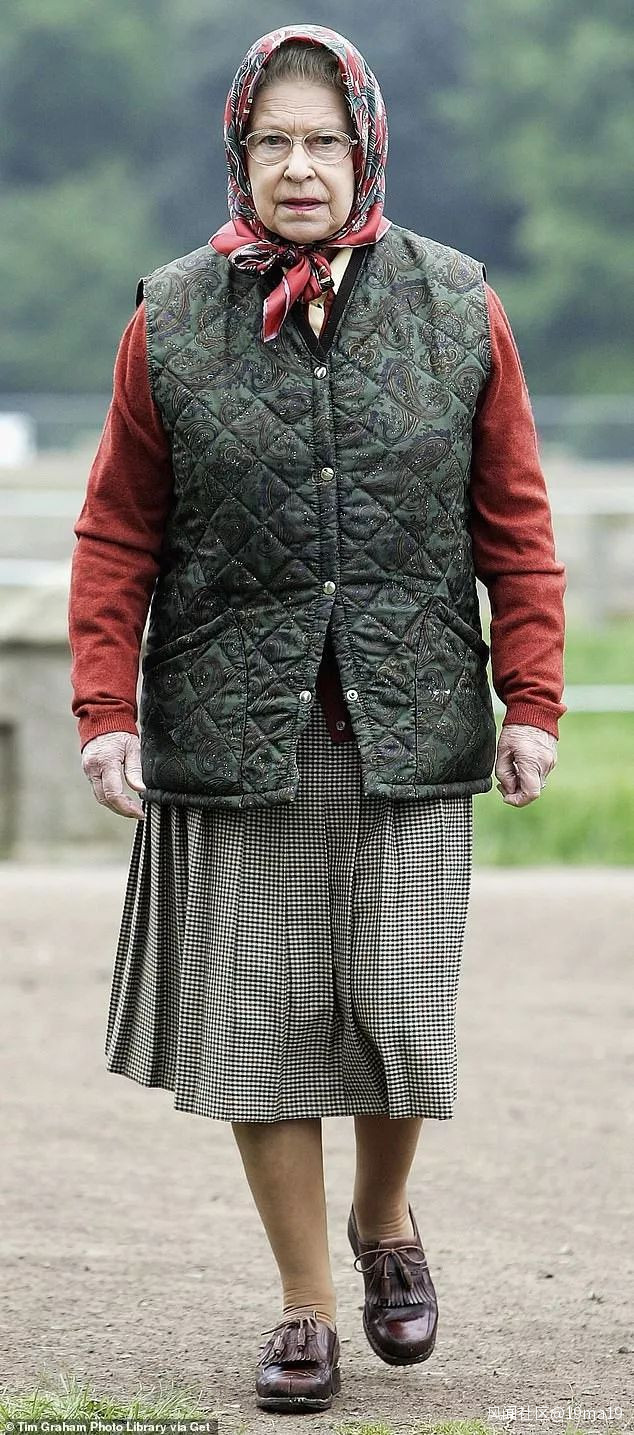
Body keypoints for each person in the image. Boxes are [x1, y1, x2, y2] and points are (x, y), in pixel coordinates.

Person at [68, 23, 567, 1416]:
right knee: (266, 1029)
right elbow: (116, 532)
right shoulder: (170, 316)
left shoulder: (459, 305)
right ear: (239, 155)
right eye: (273, 142)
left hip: (413, 720)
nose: (299, 167)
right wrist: (104, 707)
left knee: (399, 1016)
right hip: (234, 730)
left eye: (323, 142)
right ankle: (304, 1308)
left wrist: (530, 697)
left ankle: (384, 1220)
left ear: (365, 152)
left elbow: (515, 525)